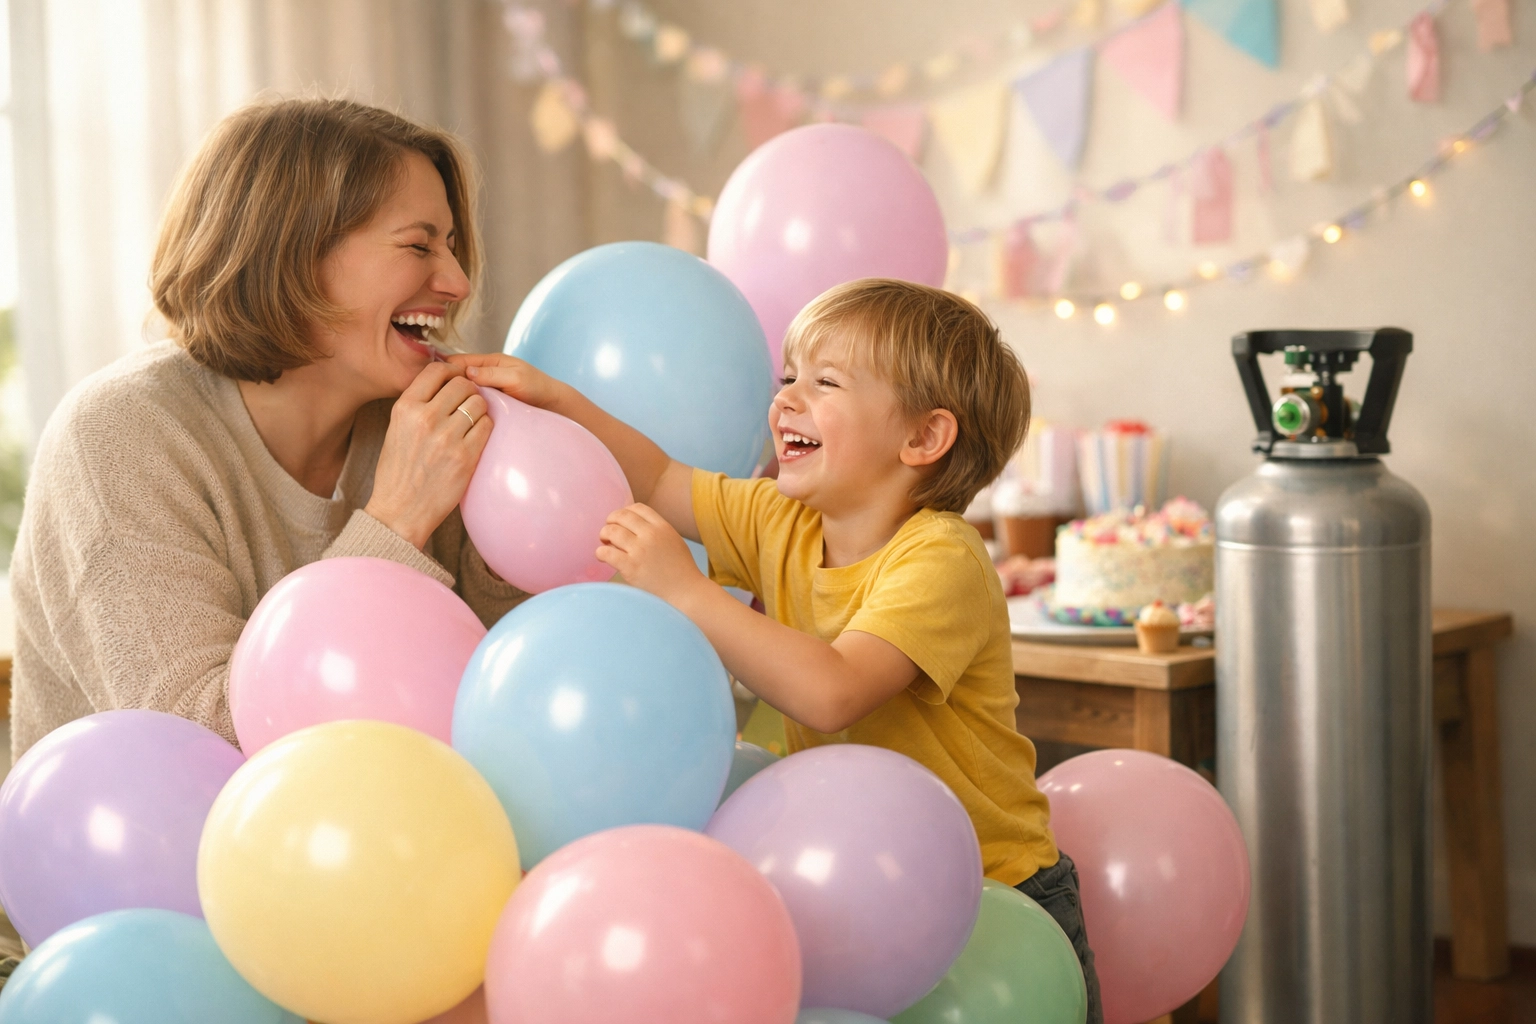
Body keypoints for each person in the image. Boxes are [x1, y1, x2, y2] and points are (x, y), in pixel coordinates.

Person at [453, 278, 1103, 1021]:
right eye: (788, 376)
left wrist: (688, 593)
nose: (786, 399)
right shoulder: (780, 519)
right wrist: (557, 398)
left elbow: (834, 693)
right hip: (861, 891)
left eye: (824, 383)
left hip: (996, 890)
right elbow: (660, 477)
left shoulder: (942, 559)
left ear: (922, 438)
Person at [9, 98, 527, 760]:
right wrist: (396, 526)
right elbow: (204, 750)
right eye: (419, 245)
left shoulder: (420, 427)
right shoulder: (118, 439)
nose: (456, 281)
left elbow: (500, 703)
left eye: (452, 246)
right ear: (294, 253)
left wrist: (513, 519)